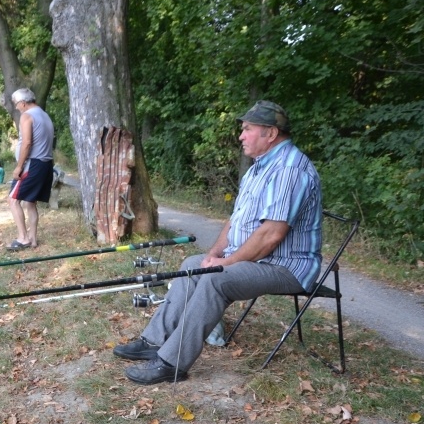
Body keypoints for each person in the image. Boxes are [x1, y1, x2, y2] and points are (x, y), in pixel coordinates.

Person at [112, 100, 322, 384]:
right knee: (193, 265)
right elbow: (236, 220)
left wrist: (225, 263)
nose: (241, 136)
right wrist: (214, 255)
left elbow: (271, 235)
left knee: (215, 278)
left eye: (247, 129)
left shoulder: (289, 170)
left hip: (286, 266)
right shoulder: (259, 168)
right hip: (260, 260)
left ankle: (172, 363)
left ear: (271, 133)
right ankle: (154, 341)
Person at [7, 88, 55, 251]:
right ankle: (33, 239)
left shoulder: (27, 116)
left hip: (32, 164)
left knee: (13, 200)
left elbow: (27, 143)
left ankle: (23, 238)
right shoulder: (44, 115)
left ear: (23, 103)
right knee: (30, 202)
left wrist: (19, 167)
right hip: (46, 164)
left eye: (16, 104)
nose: (16, 108)